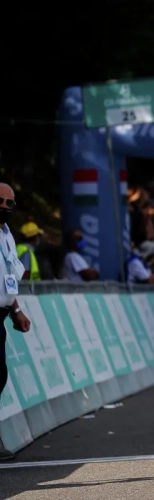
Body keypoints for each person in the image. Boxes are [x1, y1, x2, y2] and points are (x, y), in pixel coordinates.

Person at [0, 184, 31, 461]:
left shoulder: (7, 235)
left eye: (10, 203)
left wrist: (16, 310)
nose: (5, 207)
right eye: (0, 201)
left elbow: (8, 279)